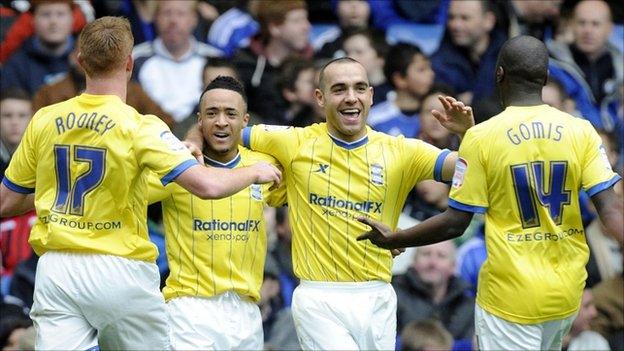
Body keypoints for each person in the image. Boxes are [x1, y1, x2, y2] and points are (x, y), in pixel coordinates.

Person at [0, 16, 281, 350]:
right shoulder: (141, 126)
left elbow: (4, 203)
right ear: (130, 63)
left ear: (80, 62)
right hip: (119, 267)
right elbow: (206, 186)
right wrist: (254, 172)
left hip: (57, 269)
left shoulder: (44, 118)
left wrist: (57, 191)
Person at [187, 56, 474, 350]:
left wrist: (467, 134)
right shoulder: (294, 141)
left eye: (360, 88)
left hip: (378, 295)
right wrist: (194, 141)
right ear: (320, 98)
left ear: (371, 96)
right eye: (339, 89)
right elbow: (220, 127)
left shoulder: (400, 151)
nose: (351, 97)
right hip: (319, 296)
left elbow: (468, 167)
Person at [357, 35, 623, 350]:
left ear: (499, 75)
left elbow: (456, 222)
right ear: (545, 77)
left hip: (510, 296)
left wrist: (397, 238)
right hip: (566, 293)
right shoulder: (582, 131)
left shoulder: (482, 138)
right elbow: (610, 209)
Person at [147, 76, 287, 350]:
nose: (221, 121)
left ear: (245, 120)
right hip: (190, 309)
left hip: (247, 309)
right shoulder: (177, 168)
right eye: (212, 113)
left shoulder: (264, 166)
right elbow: (123, 197)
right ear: (199, 120)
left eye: (230, 113)